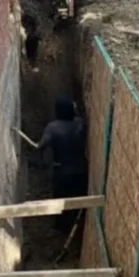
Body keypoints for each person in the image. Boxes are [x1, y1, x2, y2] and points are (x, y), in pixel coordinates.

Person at [37, 96, 88, 231]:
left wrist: (42, 160)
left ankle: (62, 228)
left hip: (62, 173)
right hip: (81, 171)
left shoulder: (53, 127)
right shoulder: (81, 123)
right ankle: (79, 228)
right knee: (78, 201)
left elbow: (41, 146)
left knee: (60, 202)